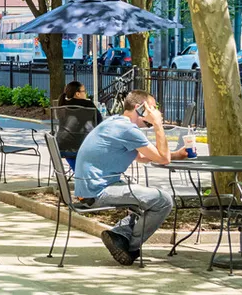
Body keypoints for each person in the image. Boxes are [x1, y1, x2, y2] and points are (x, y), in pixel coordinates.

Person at [73, 90, 187, 265]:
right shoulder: (127, 129)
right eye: (154, 108)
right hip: (97, 192)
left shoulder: (115, 122)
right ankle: (129, 247)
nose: (157, 112)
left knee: (143, 195)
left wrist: (176, 155)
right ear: (140, 108)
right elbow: (163, 159)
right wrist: (157, 124)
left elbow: (143, 157)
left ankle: (119, 234)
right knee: (163, 200)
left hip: (89, 188)